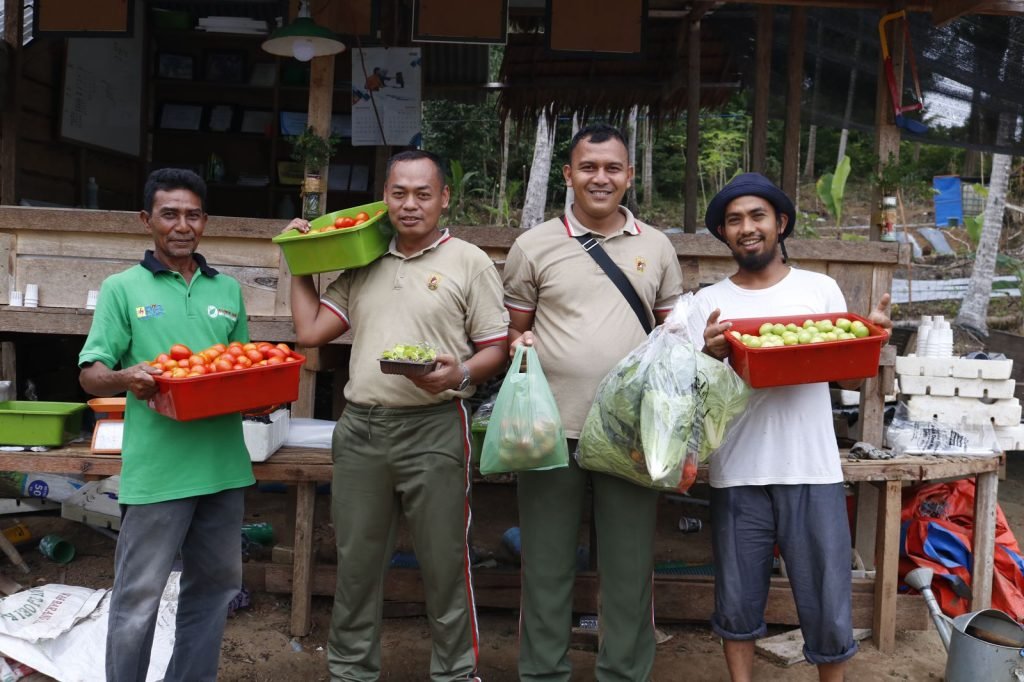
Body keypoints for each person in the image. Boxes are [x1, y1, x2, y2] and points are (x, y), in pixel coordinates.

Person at [283, 149, 509, 681]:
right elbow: (311, 331)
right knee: (357, 565)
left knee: (444, 563)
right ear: (384, 198)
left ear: (444, 198)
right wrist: (298, 258)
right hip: (360, 429)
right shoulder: (365, 260)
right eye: (399, 193)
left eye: (423, 194)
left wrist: (458, 375)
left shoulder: (469, 262)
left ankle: (455, 673)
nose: (410, 205)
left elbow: (494, 346)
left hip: (433, 427)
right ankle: (350, 671)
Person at [687, 172, 893, 682]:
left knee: (827, 599)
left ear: (780, 223)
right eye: (733, 221)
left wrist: (868, 336)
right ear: (724, 234)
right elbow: (692, 393)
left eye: (757, 216)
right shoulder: (707, 305)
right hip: (738, 471)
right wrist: (709, 357)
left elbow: (846, 373)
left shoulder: (817, 289)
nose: (746, 228)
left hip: (812, 468)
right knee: (736, 599)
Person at [502, 124, 684, 681]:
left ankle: (625, 674)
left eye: (612, 168)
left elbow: (671, 336)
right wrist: (518, 344)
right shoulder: (533, 245)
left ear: (629, 176)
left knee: (629, 569)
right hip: (548, 428)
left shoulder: (656, 247)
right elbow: (514, 331)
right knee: (545, 567)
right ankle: (542, 673)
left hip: (631, 432)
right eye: (588, 167)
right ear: (568, 175)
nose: (599, 178)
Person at [78, 168, 254, 681]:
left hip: (223, 469)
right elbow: (91, 376)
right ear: (146, 219)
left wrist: (259, 398)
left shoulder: (228, 291)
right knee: (138, 598)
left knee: (215, 591)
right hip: (159, 473)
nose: (182, 225)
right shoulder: (121, 288)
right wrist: (125, 376)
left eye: (193, 214)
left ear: (206, 221)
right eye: (170, 213)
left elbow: (242, 368)